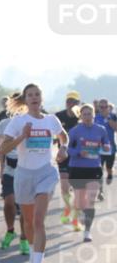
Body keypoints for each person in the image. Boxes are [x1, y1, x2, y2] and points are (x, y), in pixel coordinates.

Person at [0, 83, 69, 263]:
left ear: (41, 98)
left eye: (37, 94)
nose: (34, 97)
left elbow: (63, 136)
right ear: (26, 99)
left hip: (46, 173)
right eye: (30, 95)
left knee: (38, 220)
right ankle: (33, 254)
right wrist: (23, 136)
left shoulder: (51, 120)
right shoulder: (18, 122)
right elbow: (3, 149)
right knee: (28, 222)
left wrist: (63, 148)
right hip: (24, 174)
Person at [0, 94, 29, 255]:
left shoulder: (31, 123)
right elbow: (1, 147)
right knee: (9, 203)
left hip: (26, 170)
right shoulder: (4, 123)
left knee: (23, 207)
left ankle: (24, 238)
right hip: (10, 170)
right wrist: (1, 168)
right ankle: (10, 230)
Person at [67, 104, 110, 242]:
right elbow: (67, 149)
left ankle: (87, 232)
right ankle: (79, 213)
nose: (87, 117)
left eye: (89, 114)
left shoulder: (101, 130)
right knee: (80, 202)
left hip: (94, 168)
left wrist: (106, 147)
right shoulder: (74, 131)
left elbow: (106, 144)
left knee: (90, 201)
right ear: (81, 116)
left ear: (93, 115)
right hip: (77, 168)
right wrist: (79, 152)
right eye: (84, 114)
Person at [55, 92, 81, 224]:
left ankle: (76, 211)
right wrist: (55, 140)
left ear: (78, 103)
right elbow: (53, 132)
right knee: (65, 187)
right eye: (68, 101)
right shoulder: (59, 116)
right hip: (64, 155)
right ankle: (67, 208)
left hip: (79, 157)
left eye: (74, 102)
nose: (71, 104)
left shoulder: (81, 116)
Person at [95, 97, 116, 188]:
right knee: (99, 168)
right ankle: (100, 189)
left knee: (109, 167)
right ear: (98, 108)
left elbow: (115, 128)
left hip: (110, 146)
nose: (103, 109)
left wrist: (108, 118)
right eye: (101, 107)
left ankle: (110, 174)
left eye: (105, 107)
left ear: (108, 107)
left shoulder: (113, 116)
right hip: (98, 147)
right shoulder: (95, 117)